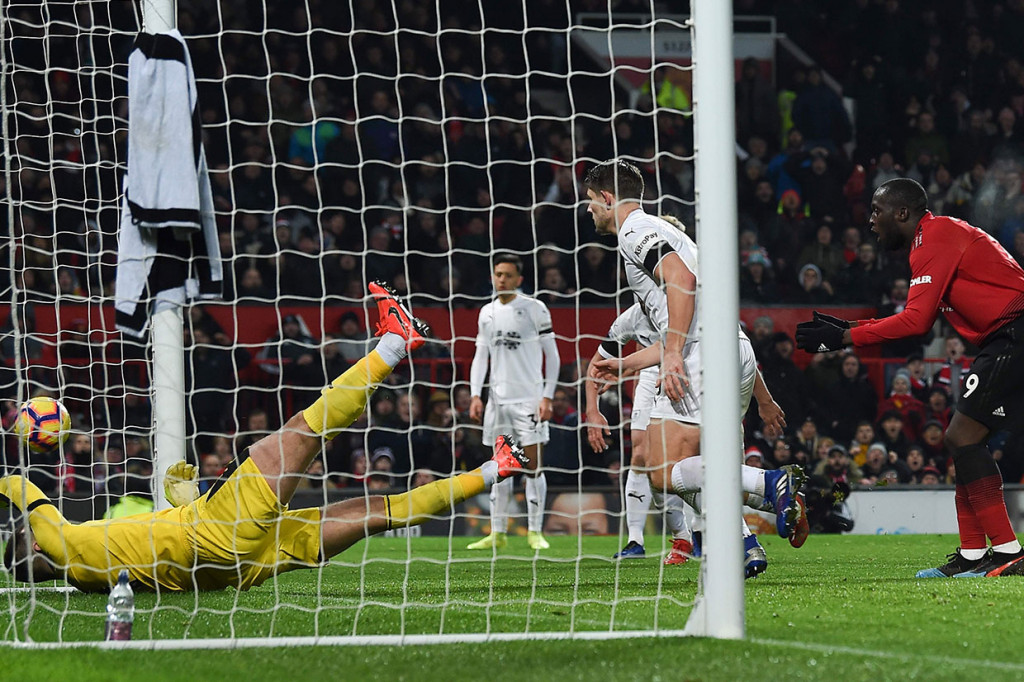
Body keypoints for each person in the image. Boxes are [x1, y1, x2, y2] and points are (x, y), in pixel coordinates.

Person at [1, 283, 531, 592]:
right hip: (216, 531)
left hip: (241, 565)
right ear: (30, 548)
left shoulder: (86, 580)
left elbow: (154, 545)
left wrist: (188, 500)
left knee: (376, 512)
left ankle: (494, 469)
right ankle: (395, 341)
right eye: (26, 537)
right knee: (307, 427)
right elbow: (26, 493)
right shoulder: (59, 542)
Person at [796, 177, 1024, 578]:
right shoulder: (937, 237)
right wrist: (848, 327)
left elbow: (917, 323)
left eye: (876, 211)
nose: (870, 221)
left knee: (962, 437)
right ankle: (973, 555)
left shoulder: (933, 238)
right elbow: (916, 314)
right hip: (1005, 337)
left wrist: (845, 338)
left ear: (902, 213)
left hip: (1014, 332)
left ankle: (1007, 552)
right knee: (964, 441)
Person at [581, 160, 807, 556]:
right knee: (693, 467)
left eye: (590, 201)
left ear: (607, 197)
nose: (589, 210)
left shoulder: (634, 231)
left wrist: (671, 354)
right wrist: (626, 365)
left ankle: (769, 485)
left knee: (660, 470)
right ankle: (751, 533)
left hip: (702, 356)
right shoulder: (667, 230)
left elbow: (681, 283)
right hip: (734, 349)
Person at [466, 254, 560, 552]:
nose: (501, 279)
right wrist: (475, 394)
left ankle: (534, 532)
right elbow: (481, 356)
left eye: (507, 274)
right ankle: (498, 533)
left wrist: (547, 395)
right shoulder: (486, 313)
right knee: (500, 467)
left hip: (528, 402)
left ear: (519, 279)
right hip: (498, 402)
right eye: (497, 274)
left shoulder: (535, 309)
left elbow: (553, 356)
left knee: (532, 467)